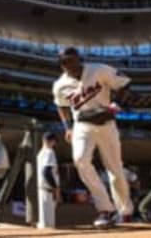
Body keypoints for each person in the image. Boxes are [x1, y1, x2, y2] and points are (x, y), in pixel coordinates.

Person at [52, 47, 134, 228]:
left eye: (71, 60)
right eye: (64, 62)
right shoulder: (60, 85)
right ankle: (106, 209)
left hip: (106, 124)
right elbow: (61, 106)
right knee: (80, 160)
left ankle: (125, 211)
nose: (68, 64)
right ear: (60, 64)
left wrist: (115, 106)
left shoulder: (99, 69)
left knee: (115, 170)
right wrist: (67, 127)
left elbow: (125, 84)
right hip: (82, 125)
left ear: (79, 59)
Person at [36, 132, 61, 228]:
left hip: (42, 189)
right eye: (53, 141)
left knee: (44, 223)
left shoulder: (40, 154)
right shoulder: (49, 152)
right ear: (51, 141)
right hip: (48, 190)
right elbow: (46, 172)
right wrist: (55, 188)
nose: (54, 144)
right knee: (48, 225)